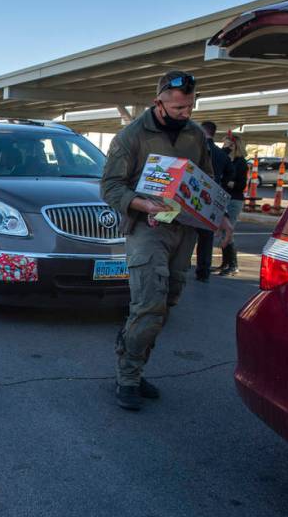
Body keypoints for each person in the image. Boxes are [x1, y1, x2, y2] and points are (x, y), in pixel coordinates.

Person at [100, 71, 233, 411]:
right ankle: (127, 376)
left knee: (167, 302)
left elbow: (207, 184)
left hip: (183, 229)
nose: (185, 113)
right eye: (177, 107)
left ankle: (133, 351)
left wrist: (222, 219)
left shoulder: (195, 136)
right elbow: (111, 187)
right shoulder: (132, 136)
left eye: (189, 106)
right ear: (158, 102)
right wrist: (145, 204)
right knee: (149, 305)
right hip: (147, 228)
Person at [194, 121, 233, 282]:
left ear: (201, 132)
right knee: (206, 238)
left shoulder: (197, 151)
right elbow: (231, 175)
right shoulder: (222, 154)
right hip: (211, 201)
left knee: (186, 236)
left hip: (193, 196)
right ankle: (203, 271)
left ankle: (180, 268)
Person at [218, 133, 248, 276]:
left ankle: (233, 265)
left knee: (228, 231)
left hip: (234, 199)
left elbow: (242, 185)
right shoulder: (226, 160)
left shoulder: (240, 162)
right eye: (223, 144)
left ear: (234, 145)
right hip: (225, 197)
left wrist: (228, 182)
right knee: (223, 231)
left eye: (227, 144)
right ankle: (225, 263)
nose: (224, 146)